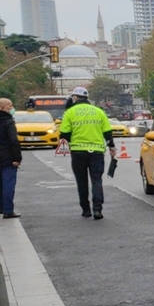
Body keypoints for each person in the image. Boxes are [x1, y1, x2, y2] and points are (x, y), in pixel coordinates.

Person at [59, 87, 115, 220]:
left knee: (82, 181)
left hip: (78, 152)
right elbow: (107, 132)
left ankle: (86, 210)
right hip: (96, 152)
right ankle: (97, 210)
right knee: (96, 180)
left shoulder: (70, 112)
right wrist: (112, 147)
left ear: (74, 98)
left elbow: (64, 134)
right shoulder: (99, 111)